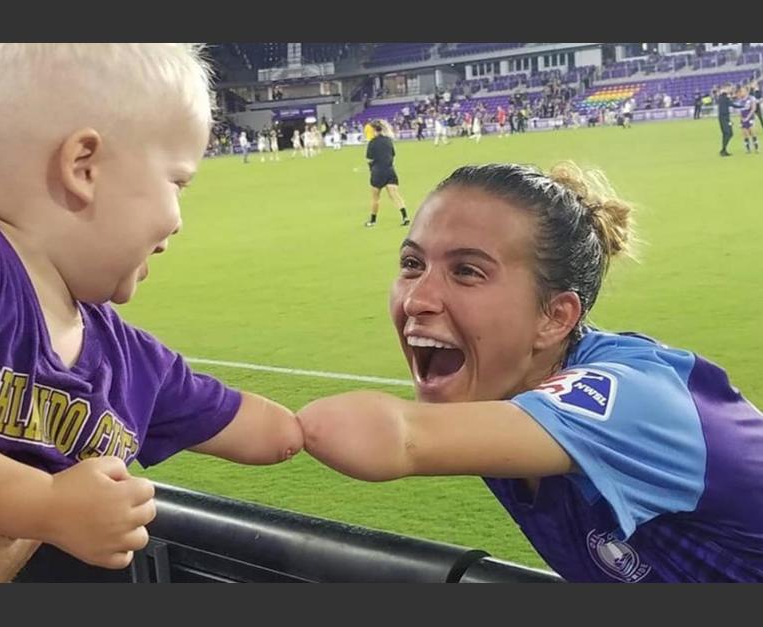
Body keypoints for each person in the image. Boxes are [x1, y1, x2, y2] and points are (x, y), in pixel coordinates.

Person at [0, 43, 303, 583]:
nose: (178, 222)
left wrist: (326, 430)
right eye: (177, 182)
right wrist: (48, 504)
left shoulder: (125, 359)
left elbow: (246, 422)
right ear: (84, 166)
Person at [298, 162, 763, 582]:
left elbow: (398, 437)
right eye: (412, 264)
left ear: (556, 317)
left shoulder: (630, 400)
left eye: (467, 271)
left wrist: (266, 424)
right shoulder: (496, 388)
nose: (417, 299)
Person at [363, 120, 409, 228]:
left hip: (377, 172)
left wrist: (372, 168)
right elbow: (392, 154)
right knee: (395, 195)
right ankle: (405, 216)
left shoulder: (372, 143)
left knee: (375, 198)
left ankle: (372, 221)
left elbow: (369, 159)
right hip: (389, 170)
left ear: (374, 130)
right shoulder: (388, 141)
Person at [718, 84, 737, 156]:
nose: (731, 89)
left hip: (726, 118)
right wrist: (743, 106)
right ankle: (723, 150)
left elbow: (731, 103)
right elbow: (732, 104)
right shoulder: (723, 97)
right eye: (730, 88)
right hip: (723, 117)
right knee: (728, 133)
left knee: (728, 133)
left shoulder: (724, 97)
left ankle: (723, 150)